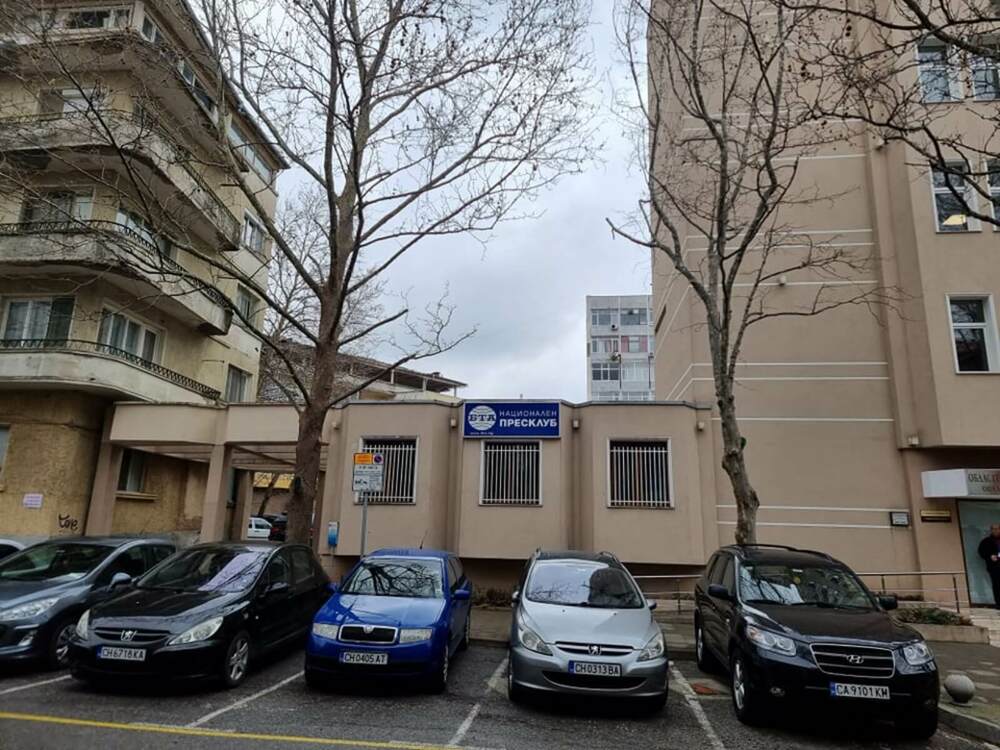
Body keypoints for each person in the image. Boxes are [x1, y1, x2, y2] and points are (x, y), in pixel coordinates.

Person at [977, 524, 1000, 608]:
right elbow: (981, 552)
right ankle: (999, 604)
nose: (996, 530)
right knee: (997, 585)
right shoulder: (986, 541)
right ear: (991, 530)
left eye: (997, 529)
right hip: (994, 567)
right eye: (993, 529)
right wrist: (990, 556)